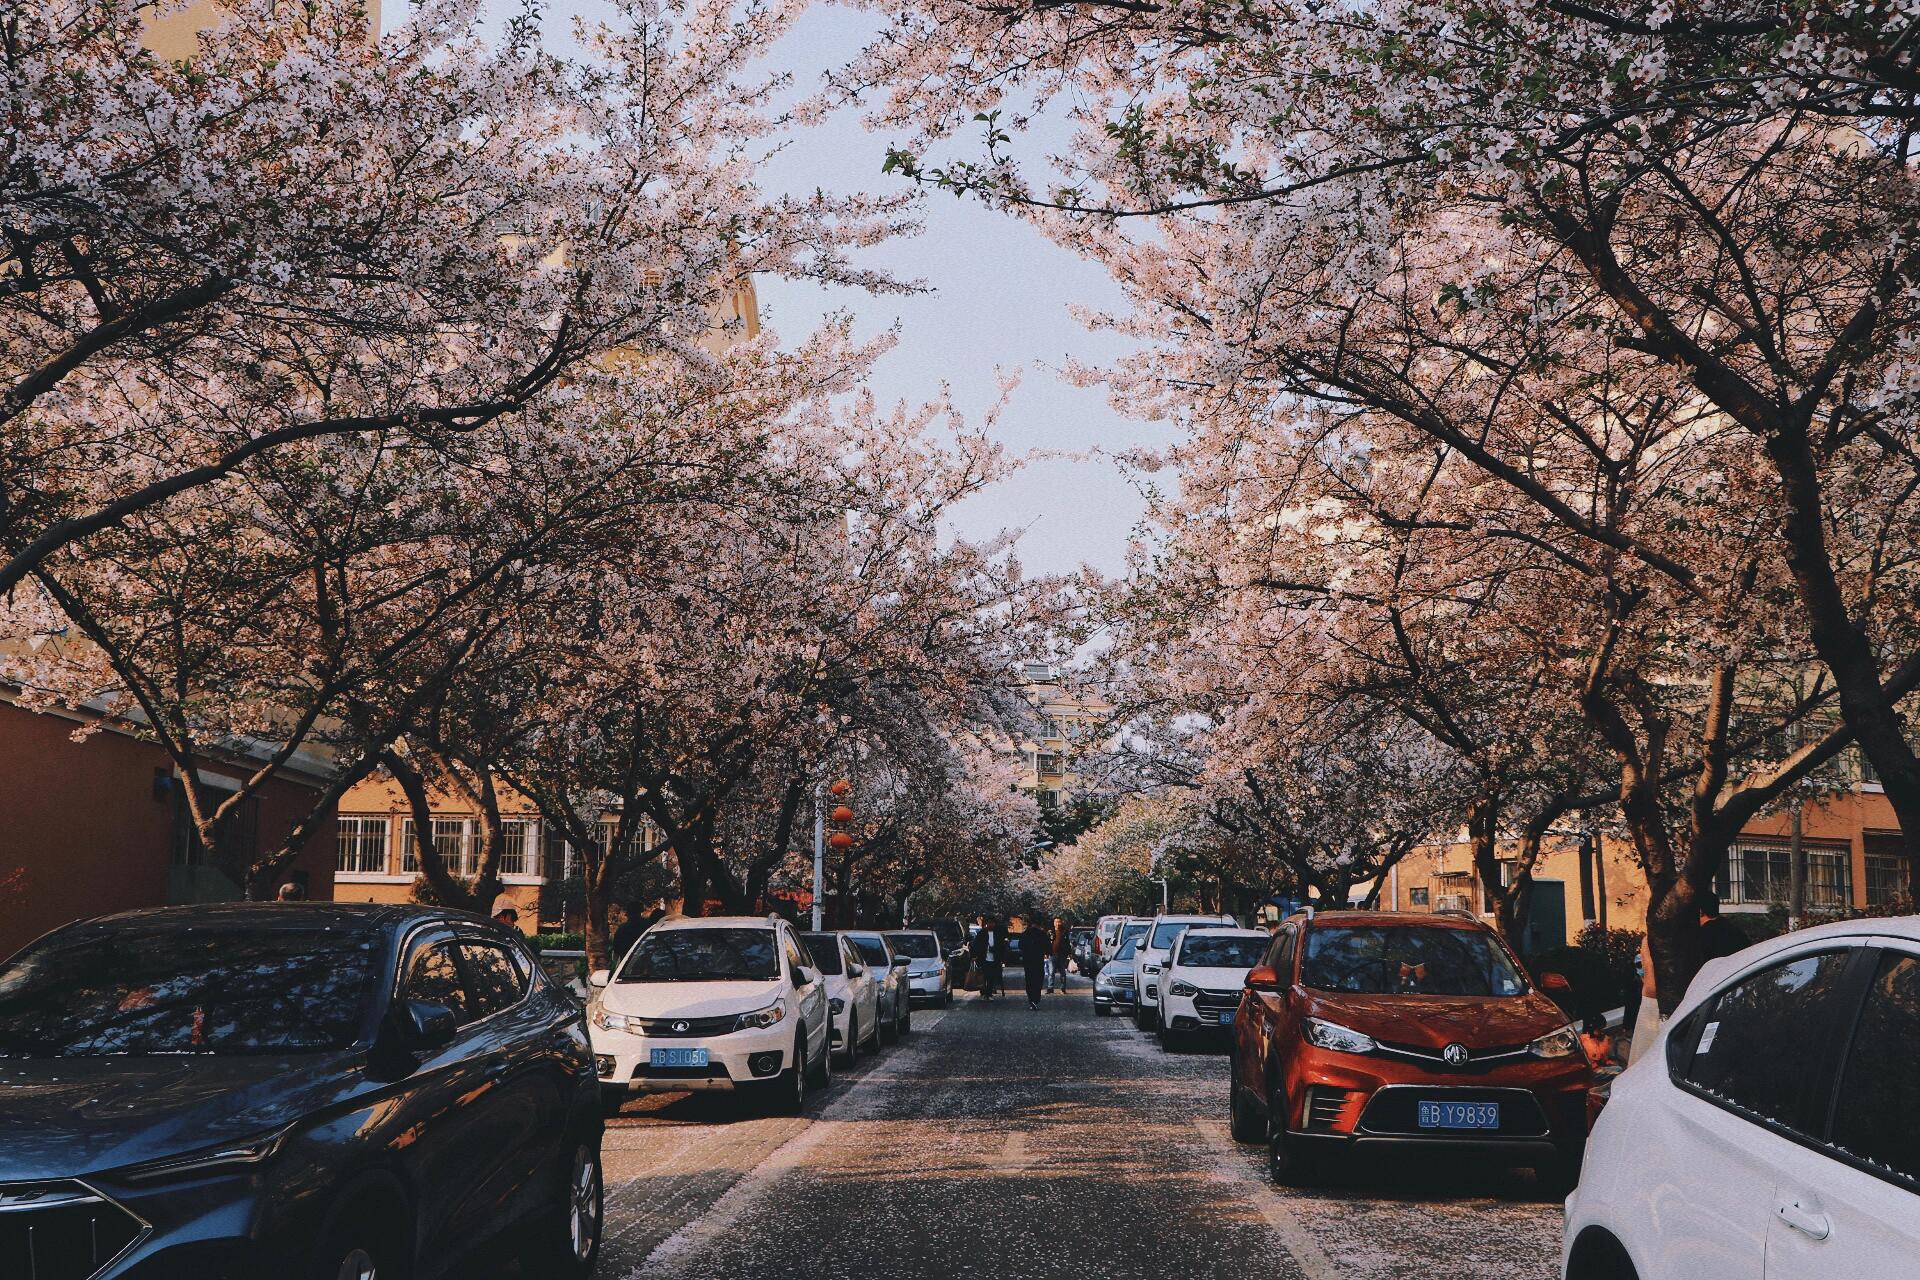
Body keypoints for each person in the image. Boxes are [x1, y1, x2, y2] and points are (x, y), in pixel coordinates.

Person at [609, 900, 657, 965]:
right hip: (648, 964)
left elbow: (616, 952)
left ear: (628, 915)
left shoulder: (622, 929)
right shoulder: (649, 925)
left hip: (628, 966)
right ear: (640, 912)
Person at [1020, 914, 1049, 1009]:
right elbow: (1048, 948)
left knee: (1029, 979)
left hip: (1028, 960)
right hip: (1038, 960)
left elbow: (1020, 946)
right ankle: (1036, 998)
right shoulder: (1042, 934)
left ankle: (1031, 999)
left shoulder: (1025, 934)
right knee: (1038, 979)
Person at [1048, 916, 1070, 993]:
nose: (1057, 923)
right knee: (1051, 972)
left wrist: (1069, 953)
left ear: (1061, 922)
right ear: (1054, 923)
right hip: (1052, 954)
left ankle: (1063, 988)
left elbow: (1067, 943)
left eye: (1059, 922)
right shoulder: (1051, 932)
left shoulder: (1064, 931)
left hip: (1062, 955)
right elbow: (1047, 943)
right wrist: (1046, 952)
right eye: (1056, 922)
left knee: (1062, 972)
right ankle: (1050, 988)